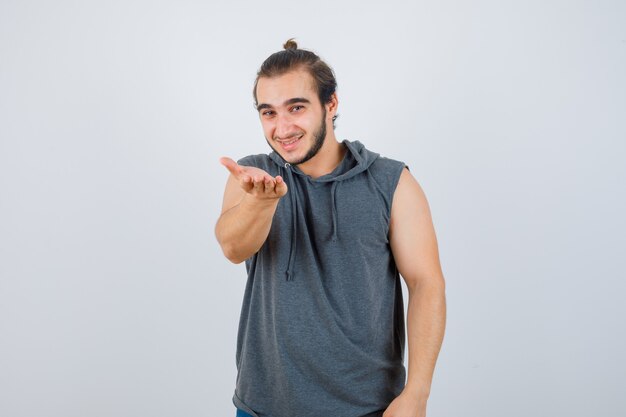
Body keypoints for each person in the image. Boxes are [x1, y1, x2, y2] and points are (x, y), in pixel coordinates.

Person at [215, 39, 446, 417]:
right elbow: (232, 247)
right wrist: (261, 201)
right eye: (268, 112)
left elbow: (426, 284)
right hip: (264, 407)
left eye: (297, 107)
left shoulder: (391, 181)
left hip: (370, 408)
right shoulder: (253, 176)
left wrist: (417, 393)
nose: (282, 127)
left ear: (331, 104)